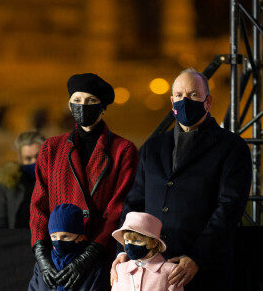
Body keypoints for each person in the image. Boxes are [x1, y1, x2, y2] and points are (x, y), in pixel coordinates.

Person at [111, 68, 252, 291]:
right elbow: (134, 204)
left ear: (208, 100)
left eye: (193, 95)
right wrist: (122, 250)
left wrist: (198, 257)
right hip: (152, 271)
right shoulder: (152, 147)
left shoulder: (232, 148)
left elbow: (229, 208)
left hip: (205, 271)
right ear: (171, 100)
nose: (184, 101)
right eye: (179, 95)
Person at [30, 73, 139, 290]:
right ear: (70, 105)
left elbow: (119, 209)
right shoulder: (51, 148)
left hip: (99, 257)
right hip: (55, 256)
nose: (82, 106)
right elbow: (38, 205)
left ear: (103, 107)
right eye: (77, 100)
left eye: (91, 101)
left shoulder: (123, 150)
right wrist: (42, 257)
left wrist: (89, 256)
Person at [28, 203, 109, 291]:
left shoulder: (95, 265)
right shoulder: (43, 265)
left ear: (80, 237)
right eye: (54, 237)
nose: (58, 241)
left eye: (65, 236)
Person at [111, 212, 183, 291]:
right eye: (127, 240)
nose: (129, 246)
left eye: (137, 241)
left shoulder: (170, 271)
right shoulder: (121, 269)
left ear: (154, 243)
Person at [0, 130, 46, 229]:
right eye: (28, 159)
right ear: (20, 159)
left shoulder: (56, 181)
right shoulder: (10, 182)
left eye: (38, 157)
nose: (34, 162)